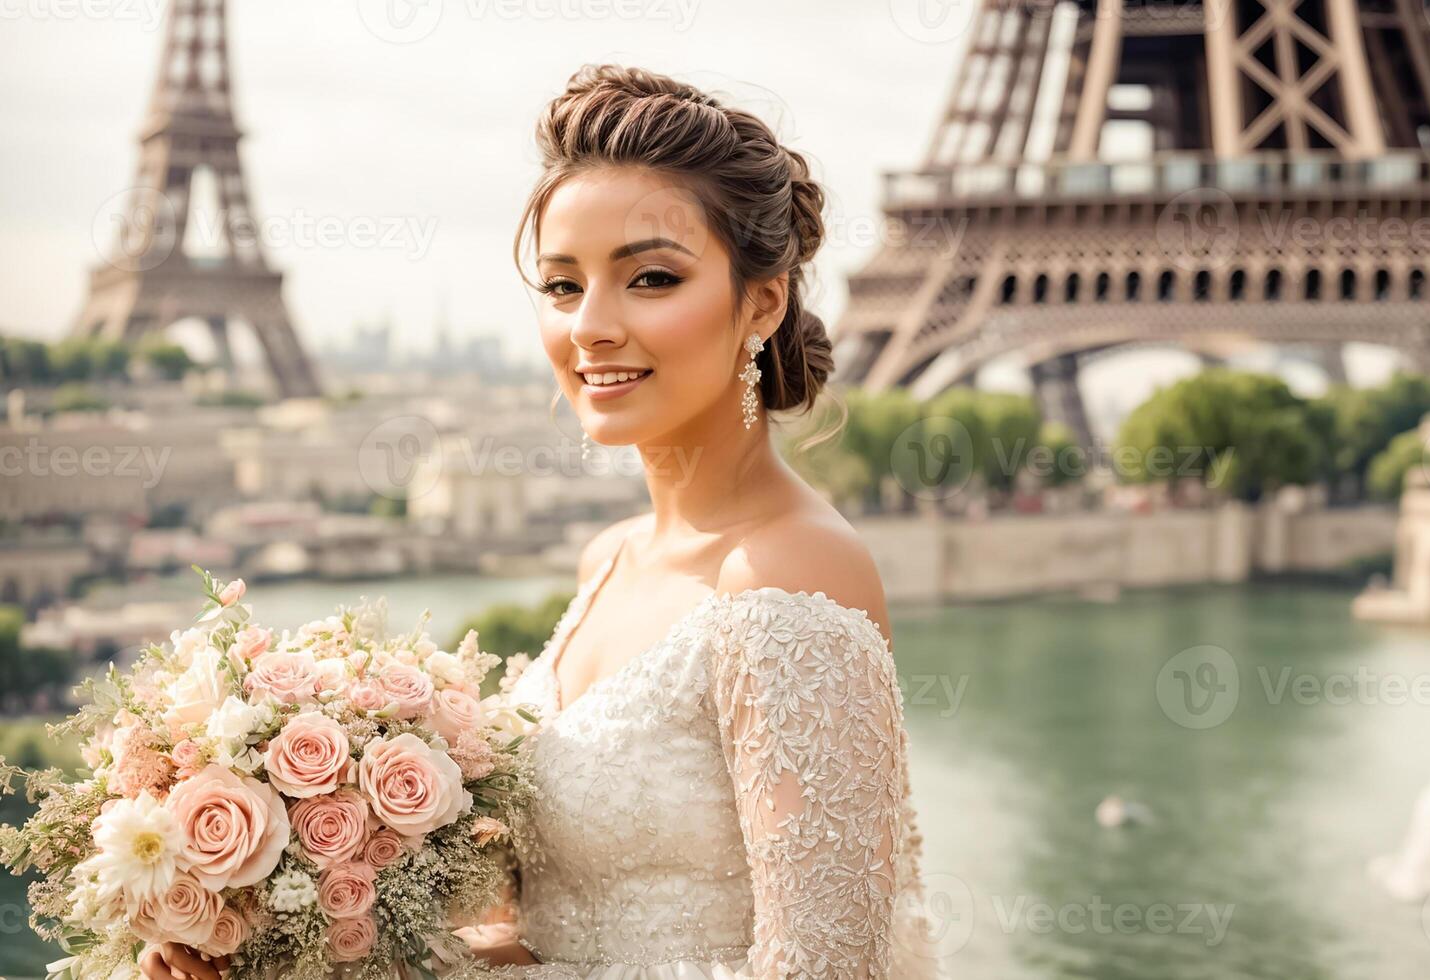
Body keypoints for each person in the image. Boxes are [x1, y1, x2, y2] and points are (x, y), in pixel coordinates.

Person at [141, 63, 946, 980]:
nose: (591, 328)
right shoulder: (609, 558)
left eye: (649, 278)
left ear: (761, 301)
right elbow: (564, 938)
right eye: (563, 288)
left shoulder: (789, 569)